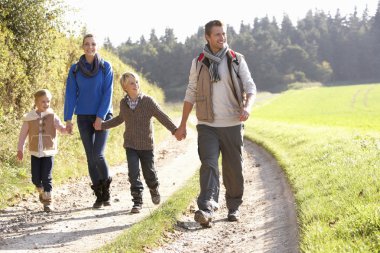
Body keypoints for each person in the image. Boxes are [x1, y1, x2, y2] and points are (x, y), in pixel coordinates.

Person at [175, 20, 256, 227]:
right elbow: (190, 92)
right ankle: (207, 209)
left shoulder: (236, 60)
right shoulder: (198, 62)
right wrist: (183, 124)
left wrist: (247, 108)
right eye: (217, 34)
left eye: (224, 34)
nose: (222, 38)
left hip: (232, 123)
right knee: (209, 165)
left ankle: (234, 206)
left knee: (233, 168)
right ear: (208, 37)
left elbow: (250, 87)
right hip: (206, 124)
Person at [95, 72, 177, 213]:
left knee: (149, 173)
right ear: (124, 87)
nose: (135, 85)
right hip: (130, 145)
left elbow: (161, 116)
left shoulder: (148, 101)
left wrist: (174, 130)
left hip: (146, 145)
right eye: (132, 83)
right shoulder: (123, 103)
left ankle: (153, 188)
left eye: (137, 82)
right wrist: (102, 125)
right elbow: (120, 119)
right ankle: (137, 201)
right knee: (133, 173)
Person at [64, 34, 114, 209]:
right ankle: (99, 196)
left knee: (98, 154)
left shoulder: (105, 66)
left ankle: (106, 192)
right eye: (86, 44)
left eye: (93, 44)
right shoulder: (75, 69)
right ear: (82, 46)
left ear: (97, 46)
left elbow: (108, 93)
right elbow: (70, 94)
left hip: (103, 116)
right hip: (83, 116)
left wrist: (100, 117)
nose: (90, 47)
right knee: (90, 157)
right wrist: (68, 119)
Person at [17, 89, 67, 212]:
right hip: (35, 152)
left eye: (48, 101)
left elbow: (61, 128)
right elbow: (22, 135)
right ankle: (41, 191)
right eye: (43, 101)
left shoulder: (52, 116)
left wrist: (67, 129)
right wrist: (20, 149)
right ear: (36, 102)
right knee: (35, 178)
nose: (46, 104)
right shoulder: (29, 118)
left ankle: (47, 201)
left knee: (47, 177)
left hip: (49, 152)